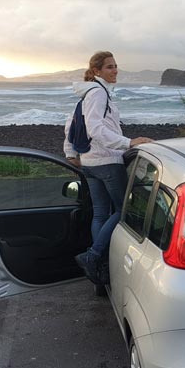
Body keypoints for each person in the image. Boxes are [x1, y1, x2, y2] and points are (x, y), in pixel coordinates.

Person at [64, 51, 153, 284]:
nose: (115, 70)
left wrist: (71, 153)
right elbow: (94, 129)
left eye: (115, 66)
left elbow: (71, 124)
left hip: (90, 163)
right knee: (123, 210)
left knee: (101, 213)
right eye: (109, 67)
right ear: (97, 71)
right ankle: (94, 257)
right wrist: (129, 143)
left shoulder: (88, 94)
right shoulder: (97, 93)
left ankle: (99, 264)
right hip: (106, 161)